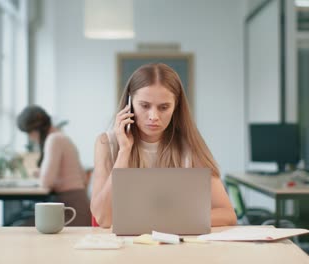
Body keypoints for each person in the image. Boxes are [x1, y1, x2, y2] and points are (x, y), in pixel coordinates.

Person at [90, 63, 237, 228]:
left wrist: (163, 221)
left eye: (164, 107)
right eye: (144, 106)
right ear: (130, 103)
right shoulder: (106, 144)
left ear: (176, 107)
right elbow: (104, 219)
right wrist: (124, 151)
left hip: (173, 248)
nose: (153, 116)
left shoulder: (190, 147)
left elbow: (227, 214)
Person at [17, 105, 91, 226]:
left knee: (21, 227)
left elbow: (46, 182)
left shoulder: (54, 140)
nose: (30, 138)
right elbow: (80, 176)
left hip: (72, 211)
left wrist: (43, 175)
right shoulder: (62, 137)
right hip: (78, 205)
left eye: (29, 133)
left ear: (36, 129)